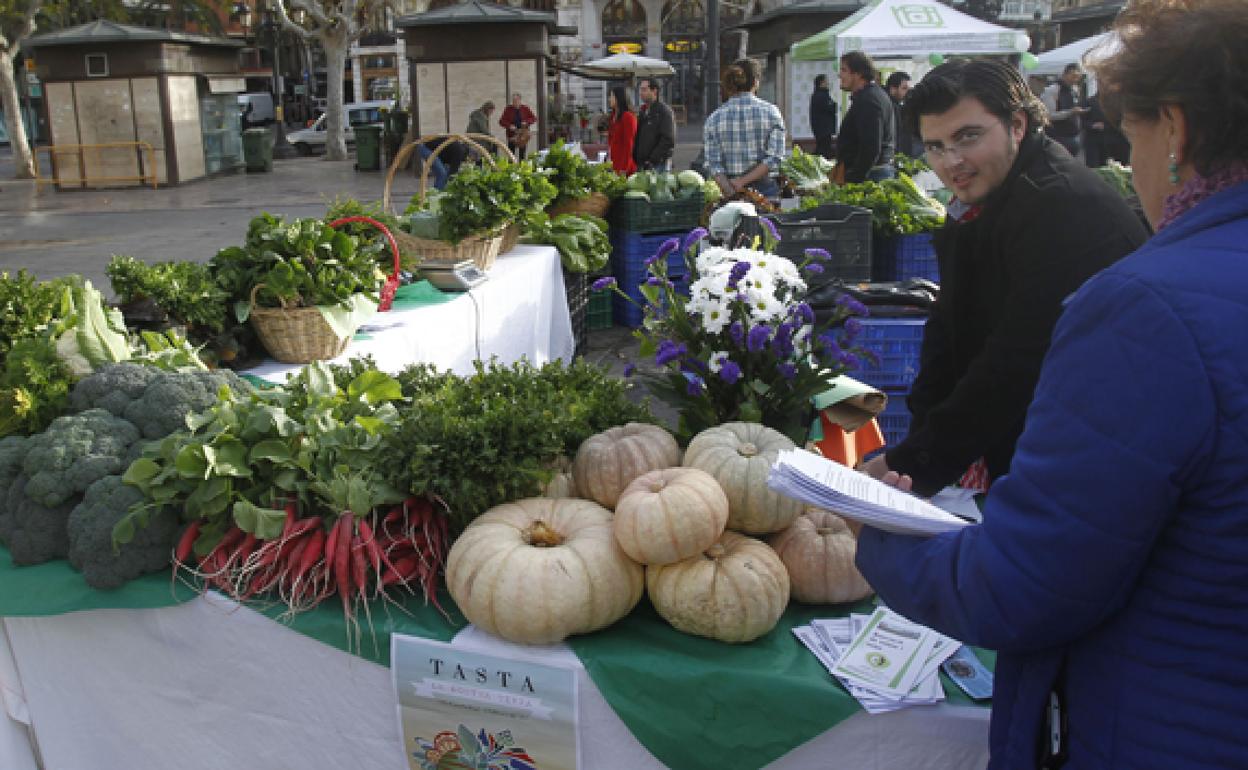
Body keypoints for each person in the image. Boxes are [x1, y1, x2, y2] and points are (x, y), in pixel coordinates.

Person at [854, 2, 1248, 768]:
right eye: (936, 146)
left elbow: (1024, 586)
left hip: (1167, 720)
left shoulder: (1142, 302)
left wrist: (875, 532)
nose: (952, 161)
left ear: (1176, 129)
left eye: (1129, 136)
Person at [857, 59, 1148, 496]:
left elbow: (1018, 360)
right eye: (934, 146)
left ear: (1017, 124)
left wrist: (917, 460)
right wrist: (916, 448)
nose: (951, 162)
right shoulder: (983, 197)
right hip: (1027, 446)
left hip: (1093, 458)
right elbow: (950, 326)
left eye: (967, 137)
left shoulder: (1060, 206)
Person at [703, 58, 786, 199]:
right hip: (765, 192)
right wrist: (742, 182)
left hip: (729, 190)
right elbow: (775, 158)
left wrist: (729, 188)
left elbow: (713, 164)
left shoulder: (714, 118)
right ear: (755, 82)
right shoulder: (771, 112)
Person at [836, 51, 896, 182]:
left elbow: (871, 147)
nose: (839, 75)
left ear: (858, 74)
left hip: (872, 175)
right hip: (873, 172)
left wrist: (854, 177)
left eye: (844, 70)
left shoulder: (869, 100)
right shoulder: (871, 96)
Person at [1041, 63, 1088, 157]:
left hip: (1074, 135)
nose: (1075, 80)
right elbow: (1049, 115)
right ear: (1065, 74)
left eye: (1078, 77)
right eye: (1073, 76)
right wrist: (1071, 112)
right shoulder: (1052, 90)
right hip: (1058, 136)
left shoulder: (1074, 90)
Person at [633, 77, 677, 171]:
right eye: (640, 89)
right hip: (643, 164)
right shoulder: (643, 111)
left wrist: (653, 159)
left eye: (644, 89)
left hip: (657, 164)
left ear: (654, 91)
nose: (641, 93)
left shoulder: (664, 112)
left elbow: (668, 139)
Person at [1082, 91, 1130, 167]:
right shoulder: (1090, 102)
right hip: (1096, 141)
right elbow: (1082, 122)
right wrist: (1092, 125)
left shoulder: (1122, 102)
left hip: (1118, 140)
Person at [885, 71, 920, 159]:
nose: (908, 92)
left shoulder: (897, 105)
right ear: (892, 89)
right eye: (904, 88)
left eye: (909, 88)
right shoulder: (890, 107)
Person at [607, 86, 638, 175]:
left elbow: (629, 144)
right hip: (614, 163)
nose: (609, 99)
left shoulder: (628, 117)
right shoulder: (613, 116)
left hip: (624, 166)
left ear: (619, 98)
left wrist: (624, 168)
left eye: (612, 96)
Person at [499, 92, 537, 160]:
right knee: (511, 153)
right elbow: (501, 121)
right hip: (512, 134)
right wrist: (509, 126)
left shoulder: (525, 108)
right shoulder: (508, 109)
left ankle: (521, 166)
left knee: (522, 152)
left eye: (516, 100)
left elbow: (534, 118)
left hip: (523, 134)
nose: (514, 102)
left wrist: (526, 122)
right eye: (513, 101)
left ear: (520, 100)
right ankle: (511, 167)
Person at [809, 74, 838, 161]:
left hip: (822, 129)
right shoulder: (821, 95)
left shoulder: (818, 95)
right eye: (826, 81)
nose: (828, 83)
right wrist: (834, 105)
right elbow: (831, 107)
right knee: (823, 151)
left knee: (823, 149)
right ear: (821, 83)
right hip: (824, 129)